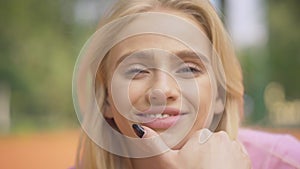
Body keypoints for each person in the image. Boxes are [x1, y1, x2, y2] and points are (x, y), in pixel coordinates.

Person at [72, 0, 300, 169]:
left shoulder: (286, 160)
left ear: (219, 94)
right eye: (136, 71)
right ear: (107, 99)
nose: (162, 90)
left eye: (189, 69)